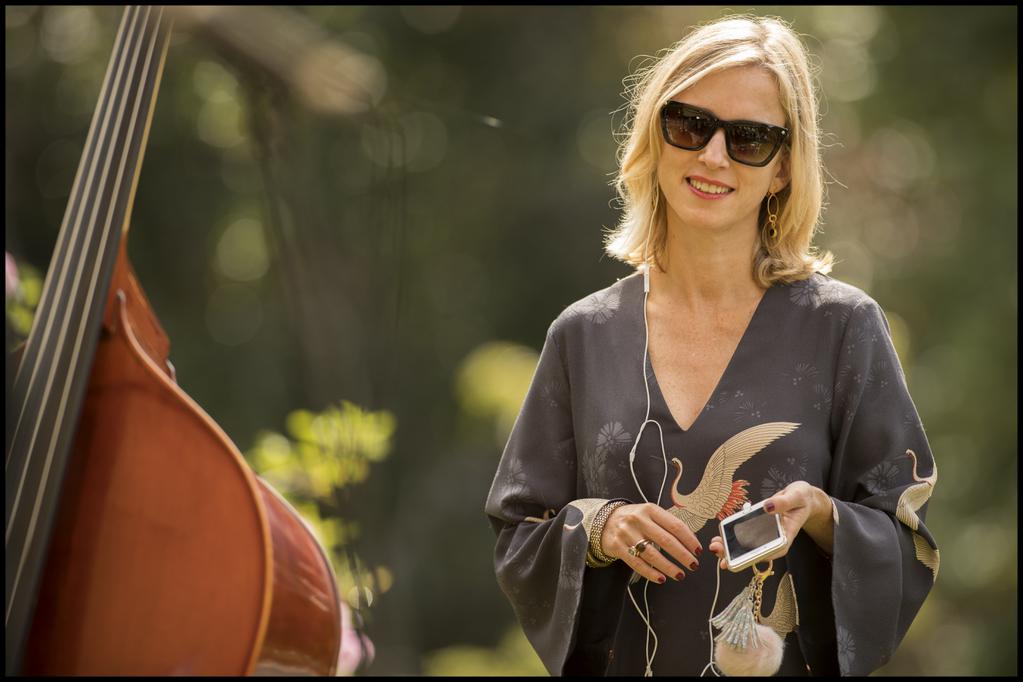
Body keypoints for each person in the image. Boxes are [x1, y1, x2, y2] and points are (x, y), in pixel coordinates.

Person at [484, 14, 939, 677]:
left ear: (783, 166)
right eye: (690, 125)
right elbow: (518, 532)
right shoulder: (581, 337)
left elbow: (909, 543)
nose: (713, 156)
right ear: (655, 134)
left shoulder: (843, 326)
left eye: (749, 138)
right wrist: (600, 528)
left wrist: (817, 513)